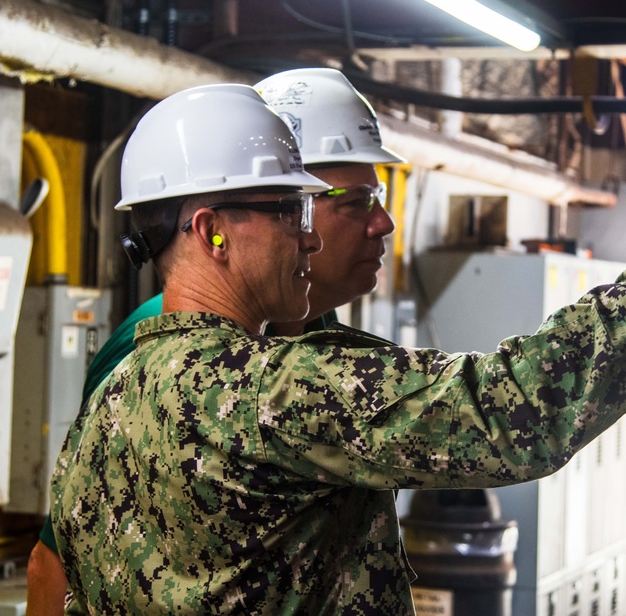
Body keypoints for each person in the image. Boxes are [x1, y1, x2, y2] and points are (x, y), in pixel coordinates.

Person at [50, 78, 626, 614]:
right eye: (288, 210)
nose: (308, 233)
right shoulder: (269, 390)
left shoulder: (113, 394)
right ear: (212, 232)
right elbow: (514, 408)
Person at [26, 68, 405, 615]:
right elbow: (56, 559)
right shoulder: (157, 347)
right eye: (353, 200)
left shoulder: (317, 338)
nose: (383, 223)